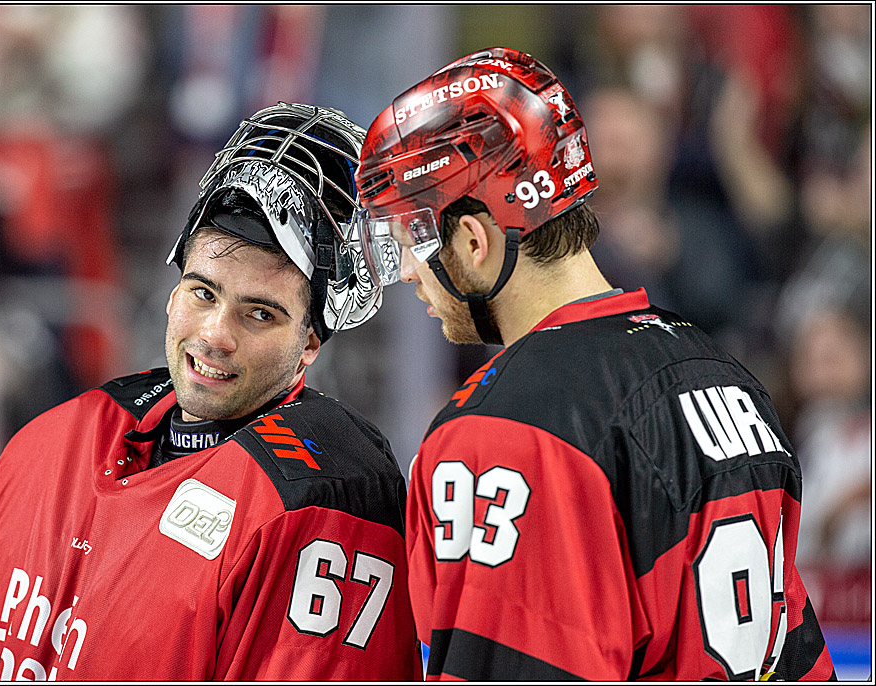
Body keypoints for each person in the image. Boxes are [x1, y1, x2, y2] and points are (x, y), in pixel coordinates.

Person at [354, 47, 836, 680]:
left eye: (410, 238)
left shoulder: (500, 435)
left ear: (475, 242)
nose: (410, 274)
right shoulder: (726, 377)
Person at [0, 102, 421, 680]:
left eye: (259, 314)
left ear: (311, 341)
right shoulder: (51, 443)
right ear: (172, 289)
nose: (215, 336)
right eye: (203, 293)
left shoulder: (319, 496)